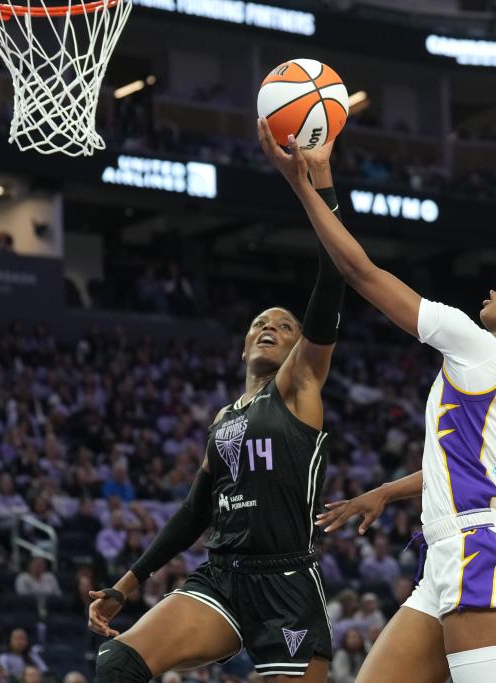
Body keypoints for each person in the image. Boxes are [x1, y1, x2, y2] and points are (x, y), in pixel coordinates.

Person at [260, 119, 496, 683]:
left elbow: (359, 271)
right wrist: (385, 492)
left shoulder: (478, 348)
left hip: (473, 550)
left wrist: (303, 185)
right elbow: (459, 462)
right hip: (450, 553)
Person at [88, 139, 347, 683]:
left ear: (303, 347)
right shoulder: (224, 418)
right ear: (243, 346)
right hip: (222, 577)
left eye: (284, 325)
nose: (270, 327)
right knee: (117, 663)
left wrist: (320, 185)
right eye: (260, 323)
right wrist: (126, 585)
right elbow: (193, 512)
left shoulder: (299, 385)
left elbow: (332, 280)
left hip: (287, 582)